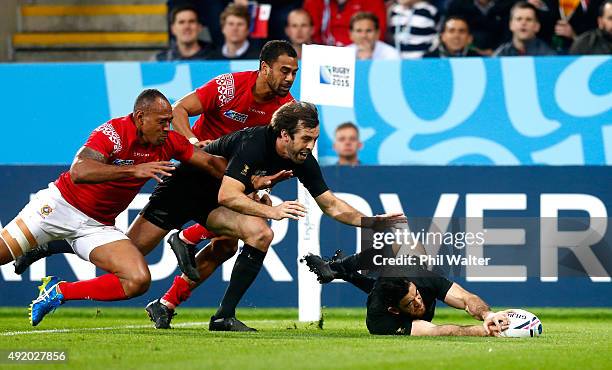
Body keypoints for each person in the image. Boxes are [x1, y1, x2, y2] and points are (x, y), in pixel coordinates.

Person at [13, 41, 299, 297]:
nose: (289, 78)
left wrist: (257, 181)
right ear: (264, 68)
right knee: (130, 253)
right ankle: (51, 248)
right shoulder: (228, 87)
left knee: (243, 238)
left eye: (294, 73)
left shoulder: (286, 111)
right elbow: (179, 110)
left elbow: (265, 155)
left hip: (224, 176)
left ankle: (183, 302)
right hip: (191, 175)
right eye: (284, 71)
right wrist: (193, 141)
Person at [141, 102, 404, 331]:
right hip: (186, 189)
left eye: (314, 139)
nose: (310, 146)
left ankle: (211, 312)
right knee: (131, 265)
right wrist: (273, 210)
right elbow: (228, 195)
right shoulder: (253, 144)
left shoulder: (301, 158)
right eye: (306, 139)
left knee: (251, 237)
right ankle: (184, 244)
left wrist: (371, 222)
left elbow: (331, 204)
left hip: (218, 196)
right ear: (284, 135)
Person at [0, 89, 229, 326]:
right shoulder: (113, 133)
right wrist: (133, 169)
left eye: (169, 122)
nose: (167, 128)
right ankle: (46, 247)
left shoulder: (169, 142)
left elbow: (211, 163)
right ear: (140, 117)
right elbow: (79, 171)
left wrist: (250, 181)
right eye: (161, 122)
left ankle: (59, 292)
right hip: (58, 208)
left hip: (97, 227)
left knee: (138, 280)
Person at [302, 250, 511, 336]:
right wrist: (484, 331)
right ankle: (344, 273)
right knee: (376, 289)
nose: (419, 302)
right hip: (381, 303)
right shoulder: (380, 319)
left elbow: (467, 298)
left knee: (390, 250)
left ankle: (338, 267)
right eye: (411, 303)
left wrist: (488, 315)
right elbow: (436, 330)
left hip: (399, 275)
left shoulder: (422, 279)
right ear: (395, 310)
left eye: (417, 295)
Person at [303, 0, 387, 46]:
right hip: (324, 55)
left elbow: (378, 35)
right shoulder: (313, 2)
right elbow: (309, 35)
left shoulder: (372, 2)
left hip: (360, 55)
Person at [446, 0, 516, 55]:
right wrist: (473, 50)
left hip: (503, 53)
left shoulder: (509, 4)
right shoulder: (457, 5)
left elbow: (510, 33)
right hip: (466, 53)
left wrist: (496, 51)